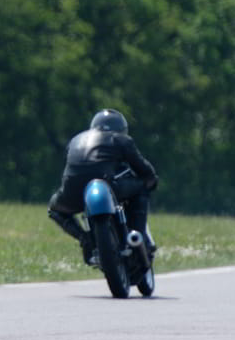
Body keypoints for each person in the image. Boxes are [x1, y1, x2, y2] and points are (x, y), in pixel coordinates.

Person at [48, 109, 159, 265]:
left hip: (73, 190)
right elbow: (142, 167)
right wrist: (151, 180)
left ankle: (84, 238)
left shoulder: (76, 140)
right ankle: (140, 236)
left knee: (55, 209)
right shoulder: (121, 139)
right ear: (121, 129)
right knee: (141, 187)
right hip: (106, 184)